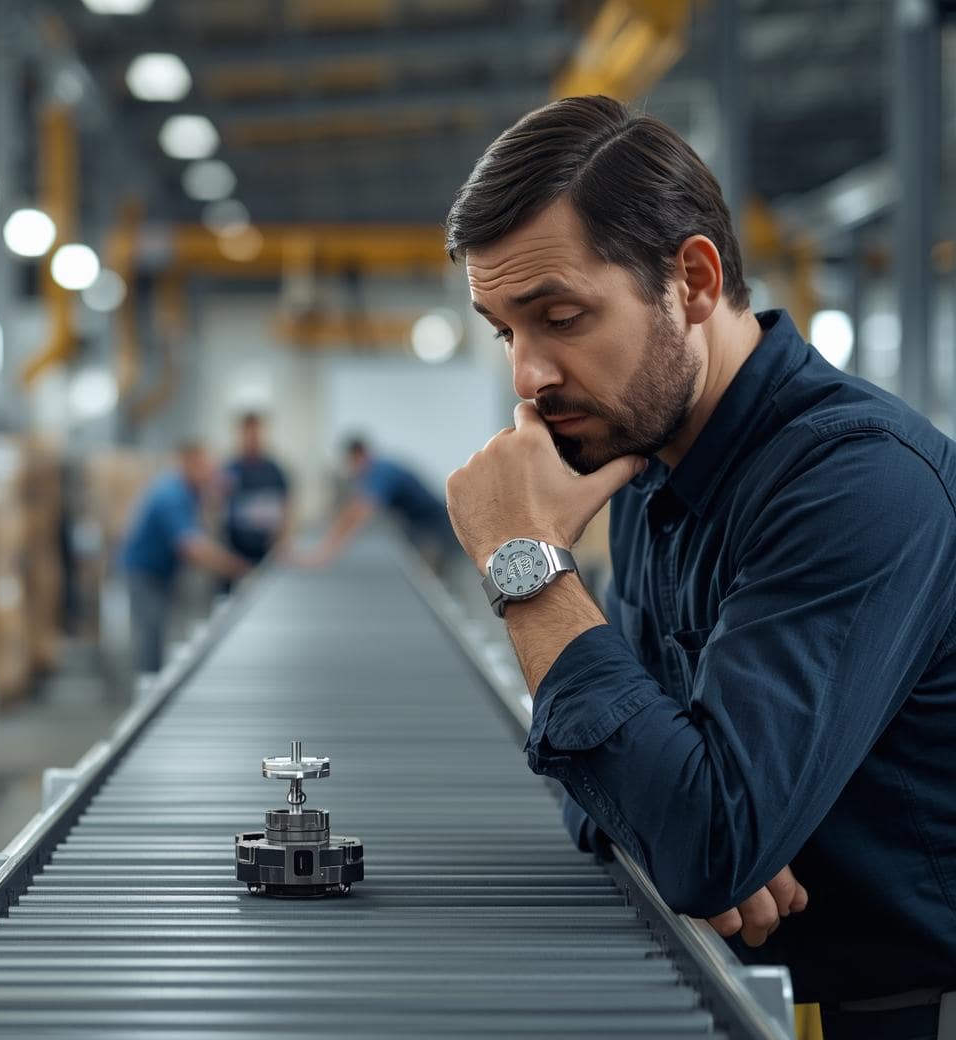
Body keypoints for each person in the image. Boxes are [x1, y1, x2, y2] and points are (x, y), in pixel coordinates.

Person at [443, 94, 956, 1040]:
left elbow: (698, 831)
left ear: (692, 278)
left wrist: (527, 569)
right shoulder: (644, 470)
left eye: (560, 316)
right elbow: (615, 785)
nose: (528, 376)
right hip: (757, 991)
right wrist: (682, 816)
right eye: (506, 330)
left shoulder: (858, 483)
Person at [120, 441, 253, 674]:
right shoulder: (171, 494)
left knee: (162, 633)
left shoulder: (190, 491)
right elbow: (191, 547)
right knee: (150, 635)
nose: (209, 473)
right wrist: (238, 568)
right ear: (188, 464)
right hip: (145, 574)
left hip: (163, 573)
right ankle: (146, 686)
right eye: (204, 467)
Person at [298, 436, 458, 571]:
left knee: (446, 573)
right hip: (419, 525)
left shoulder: (381, 471)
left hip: (439, 526)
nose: (351, 468)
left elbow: (359, 513)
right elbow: (352, 509)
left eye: (350, 462)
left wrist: (326, 552)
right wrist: (327, 546)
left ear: (359, 455)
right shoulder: (375, 472)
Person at [221, 412, 291, 579]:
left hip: (268, 552)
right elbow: (215, 505)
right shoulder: (230, 469)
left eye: (256, 432)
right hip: (235, 553)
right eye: (247, 433)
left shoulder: (275, 470)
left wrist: (283, 539)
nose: (252, 438)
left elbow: (287, 506)